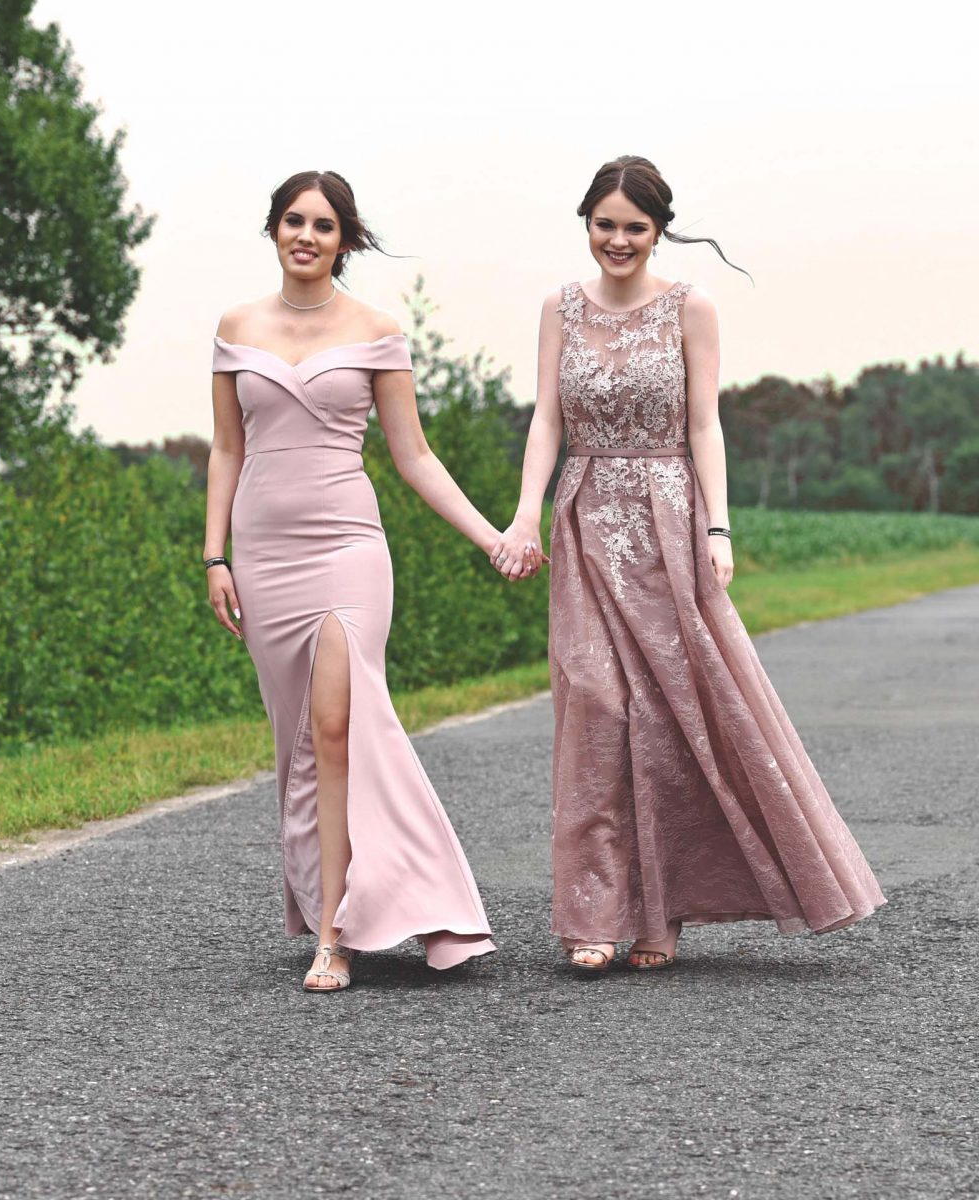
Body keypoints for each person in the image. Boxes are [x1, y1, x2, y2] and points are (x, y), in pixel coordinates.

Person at [492, 155, 885, 972]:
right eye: (604, 225)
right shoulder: (559, 307)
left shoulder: (690, 308)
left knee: (670, 713)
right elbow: (546, 419)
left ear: (659, 229)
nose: (618, 240)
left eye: (635, 227)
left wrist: (719, 527)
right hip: (585, 511)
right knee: (595, 701)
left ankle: (660, 913)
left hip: (668, 517)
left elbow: (705, 422)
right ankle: (595, 913)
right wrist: (526, 513)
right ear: (586, 224)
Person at [205, 170, 498, 992]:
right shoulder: (235, 328)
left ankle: (335, 935)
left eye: (324, 225)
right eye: (294, 221)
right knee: (298, 741)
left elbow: (415, 456)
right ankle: (335, 900)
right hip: (264, 555)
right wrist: (214, 556)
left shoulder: (376, 331)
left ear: (345, 241)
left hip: (347, 549)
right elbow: (226, 449)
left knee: (337, 727)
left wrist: (489, 537)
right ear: (274, 229)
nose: (307, 235)